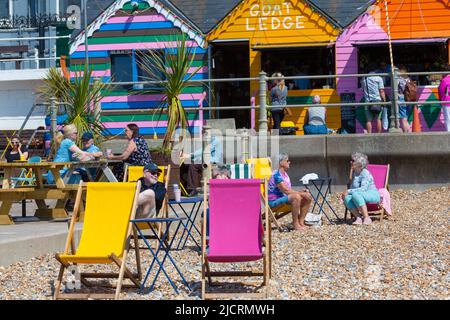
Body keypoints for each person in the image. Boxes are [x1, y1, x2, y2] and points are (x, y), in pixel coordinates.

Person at [268, 153, 312, 231]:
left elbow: (289, 191)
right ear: (281, 163)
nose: (289, 162)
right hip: (273, 202)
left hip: (283, 199)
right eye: (287, 160)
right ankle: (295, 224)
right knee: (297, 197)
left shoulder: (285, 175)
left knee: (307, 196)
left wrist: (301, 192)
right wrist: (300, 193)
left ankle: (301, 222)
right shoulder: (276, 175)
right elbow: (285, 190)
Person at [342, 152, 380, 225]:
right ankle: (358, 217)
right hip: (360, 194)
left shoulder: (365, 173)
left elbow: (363, 189)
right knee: (347, 197)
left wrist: (348, 191)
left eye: (353, 161)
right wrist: (346, 194)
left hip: (372, 193)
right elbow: (353, 188)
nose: (351, 162)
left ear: (359, 163)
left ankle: (367, 218)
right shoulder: (355, 173)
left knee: (355, 195)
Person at [361, 63, 386, 133]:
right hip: (378, 101)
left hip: (368, 101)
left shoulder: (364, 78)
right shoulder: (379, 78)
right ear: (376, 70)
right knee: (378, 119)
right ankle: (379, 134)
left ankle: (369, 134)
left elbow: (363, 88)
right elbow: (381, 91)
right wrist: (384, 101)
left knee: (368, 120)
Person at [397, 67, 412, 133]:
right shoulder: (409, 79)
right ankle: (407, 131)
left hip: (402, 98)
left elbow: (395, 89)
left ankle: (407, 132)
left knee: (403, 119)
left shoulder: (399, 79)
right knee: (406, 117)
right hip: (409, 99)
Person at [438, 64, 450, 132]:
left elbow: (441, 91)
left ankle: (448, 135)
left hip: (447, 102)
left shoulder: (444, 80)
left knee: (448, 120)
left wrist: (440, 100)